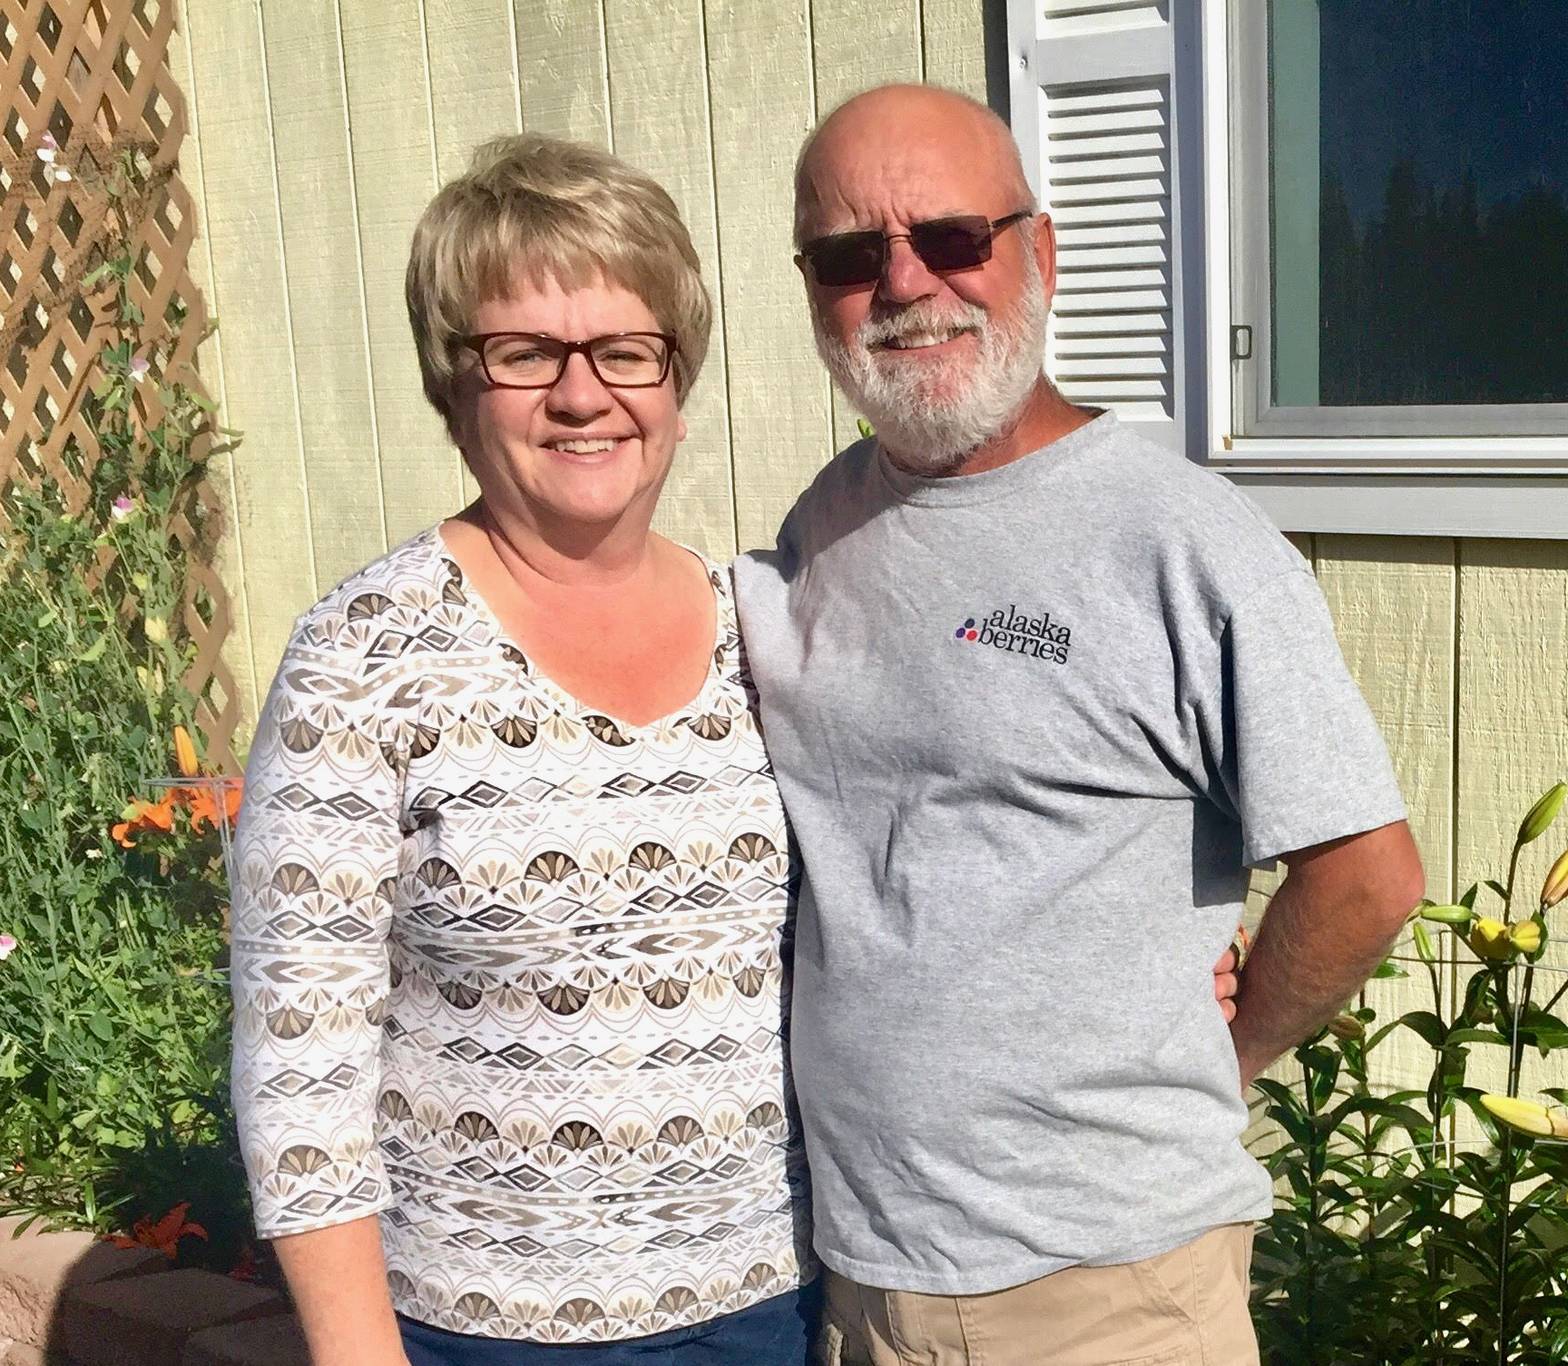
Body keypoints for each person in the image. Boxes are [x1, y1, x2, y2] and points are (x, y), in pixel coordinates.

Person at [734, 84, 1426, 1365]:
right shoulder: (824, 522)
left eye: (951, 238)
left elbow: (1366, 874)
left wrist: (1229, 1043)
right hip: (861, 1278)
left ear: (1035, 254)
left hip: (1104, 1290)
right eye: (849, 256)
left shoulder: (1180, 541)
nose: (904, 284)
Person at [228, 134, 816, 1365]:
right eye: (523, 353)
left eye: (623, 350)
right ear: (455, 383)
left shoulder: (763, 625)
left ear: (674, 375)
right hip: (477, 1333)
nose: (582, 393)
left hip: (769, 1300)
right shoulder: (365, 657)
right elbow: (302, 1059)